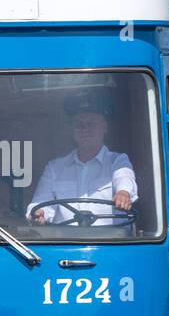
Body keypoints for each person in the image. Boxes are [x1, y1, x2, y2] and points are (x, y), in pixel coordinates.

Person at [28, 91, 138, 225]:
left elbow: (124, 178)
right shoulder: (54, 168)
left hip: (111, 243)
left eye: (91, 124)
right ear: (71, 130)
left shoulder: (118, 161)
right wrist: (39, 213)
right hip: (65, 243)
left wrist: (123, 193)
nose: (84, 129)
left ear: (104, 127)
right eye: (78, 124)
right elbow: (40, 203)